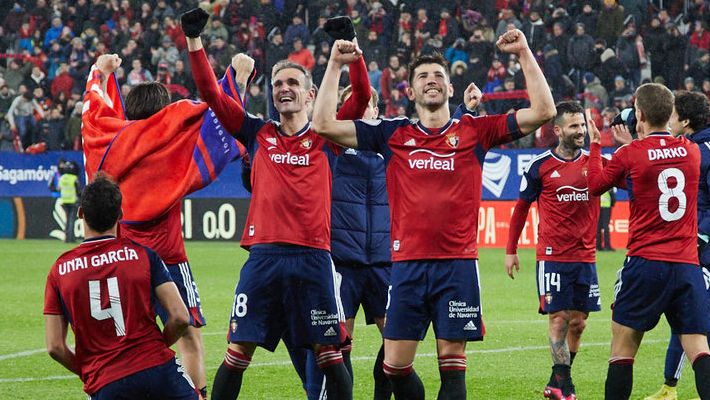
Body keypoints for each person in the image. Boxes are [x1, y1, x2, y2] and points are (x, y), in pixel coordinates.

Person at [312, 29, 556, 399]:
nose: (432, 81)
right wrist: (333, 66)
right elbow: (324, 126)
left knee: (452, 366)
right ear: (410, 92)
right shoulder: (393, 134)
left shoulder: (474, 131)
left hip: (456, 266)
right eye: (423, 76)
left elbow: (544, 112)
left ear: (450, 89)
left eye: (439, 76)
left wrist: (523, 52)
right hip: (406, 267)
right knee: (394, 365)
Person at [182, 8, 353, 399]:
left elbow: (358, 97)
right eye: (277, 84)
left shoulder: (327, 137)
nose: (284, 88)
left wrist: (345, 51)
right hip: (263, 259)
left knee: (330, 353)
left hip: (314, 259)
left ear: (311, 94)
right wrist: (195, 41)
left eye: (293, 82)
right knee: (237, 351)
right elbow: (211, 94)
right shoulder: (256, 132)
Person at [81, 51, 252, 399]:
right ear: (165, 112)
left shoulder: (113, 144)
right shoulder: (173, 145)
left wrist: (101, 72)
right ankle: (198, 395)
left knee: (121, 341)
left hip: (123, 260)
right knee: (188, 332)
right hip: (169, 259)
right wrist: (238, 75)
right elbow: (219, 114)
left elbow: (96, 116)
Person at [586, 83, 710, 400]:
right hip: (686, 265)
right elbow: (653, 168)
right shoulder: (691, 151)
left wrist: (595, 146)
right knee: (699, 349)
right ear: (670, 113)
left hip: (646, 264)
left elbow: (595, 185)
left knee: (623, 348)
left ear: (640, 114)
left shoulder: (631, 153)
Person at [43, 175, 199, 399]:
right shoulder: (144, 256)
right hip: (159, 371)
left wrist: (89, 371)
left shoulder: (60, 271)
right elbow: (181, 317)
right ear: (120, 216)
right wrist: (154, 349)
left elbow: (55, 347)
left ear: (80, 213)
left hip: (107, 382)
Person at [504, 101, 603, 400]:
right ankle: (566, 387)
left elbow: (631, 182)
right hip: (553, 256)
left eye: (582, 125)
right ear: (557, 129)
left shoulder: (595, 163)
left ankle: (556, 381)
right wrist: (511, 249)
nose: (581, 131)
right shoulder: (539, 167)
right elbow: (520, 210)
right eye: (574, 126)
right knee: (558, 317)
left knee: (579, 322)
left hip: (586, 256)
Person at [645, 91, 710, 400]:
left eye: (672, 115)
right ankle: (669, 388)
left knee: (704, 319)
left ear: (684, 121)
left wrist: (700, 236)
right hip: (684, 250)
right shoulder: (686, 148)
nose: (668, 120)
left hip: (702, 250)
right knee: (684, 318)